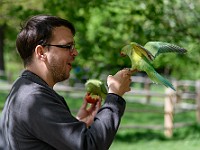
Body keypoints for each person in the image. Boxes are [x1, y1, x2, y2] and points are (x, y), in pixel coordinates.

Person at [1, 15, 133, 150]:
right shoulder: (34, 98)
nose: (75, 52)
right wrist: (114, 96)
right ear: (41, 52)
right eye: (67, 46)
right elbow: (90, 146)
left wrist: (76, 126)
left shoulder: (22, 89)